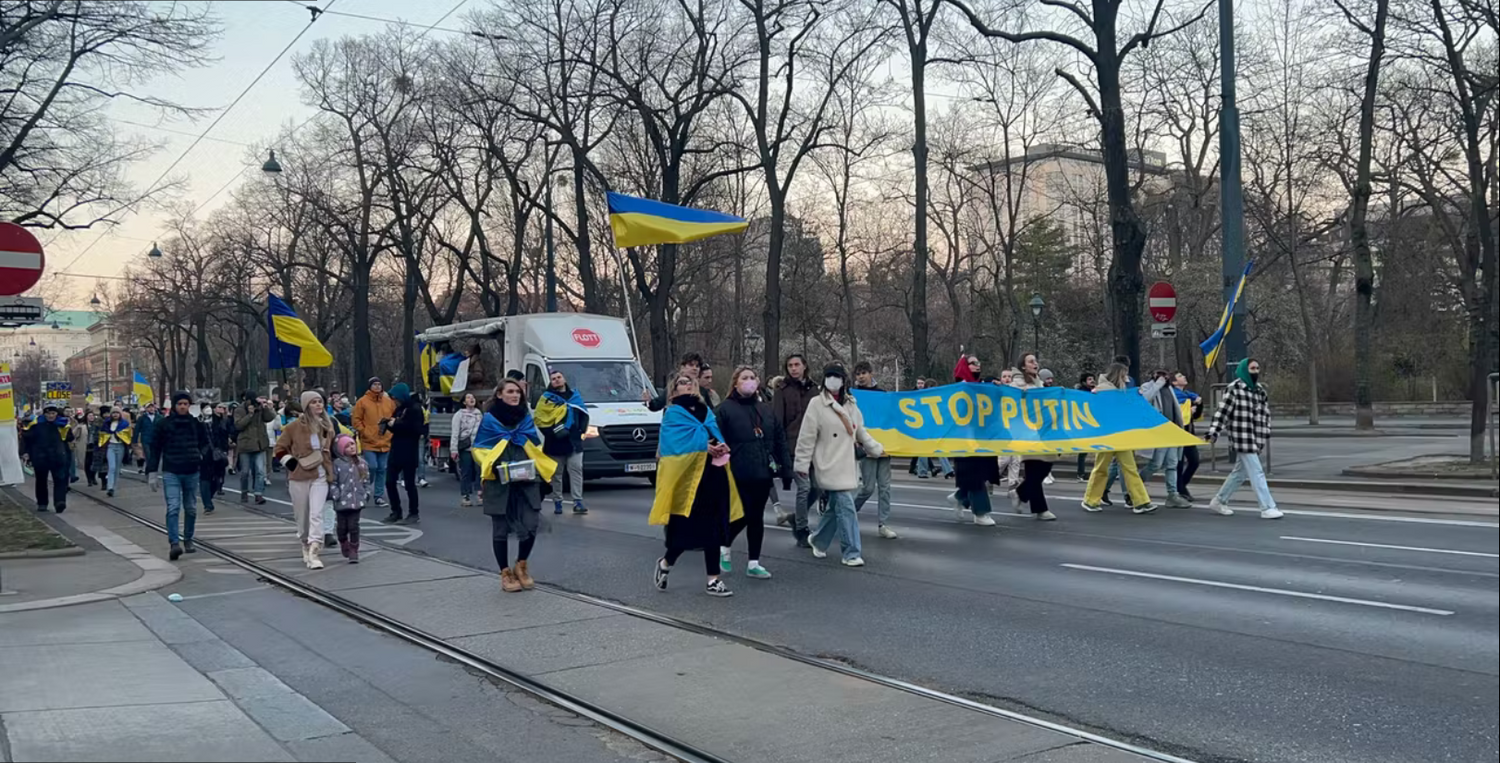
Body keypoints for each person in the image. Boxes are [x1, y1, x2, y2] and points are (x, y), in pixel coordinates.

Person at [650, 374, 740, 596]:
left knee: (713, 528)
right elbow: (673, 445)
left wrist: (721, 446)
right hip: (688, 481)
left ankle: (713, 580)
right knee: (686, 531)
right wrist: (703, 447)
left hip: (712, 474)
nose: (688, 384)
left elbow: (714, 433)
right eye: (682, 382)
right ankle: (665, 563)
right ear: (673, 390)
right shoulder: (672, 414)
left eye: (691, 381)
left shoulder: (706, 410)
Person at [795, 363, 884, 567]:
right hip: (828, 462)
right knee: (846, 507)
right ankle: (851, 552)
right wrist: (801, 464)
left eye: (836, 376)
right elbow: (806, 437)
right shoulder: (816, 404)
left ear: (844, 380)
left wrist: (875, 448)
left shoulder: (851, 403)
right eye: (829, 376)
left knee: (836, 507)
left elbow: (860, 430)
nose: (832, 380)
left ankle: (818, 539)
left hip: (847, 462)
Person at [717, 366, 789, 578]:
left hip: (762, 471)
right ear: (735, 383)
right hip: (737, 472)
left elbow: (779, 440)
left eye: (752, 377)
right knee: (743, 514)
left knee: (756, 517)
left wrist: (786, 470)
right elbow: (715, 439)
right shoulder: (724, 410)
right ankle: (724, 545)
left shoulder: (765, 410)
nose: (749, 381)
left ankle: (753, 562)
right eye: (744, 377)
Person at [482, 378, 552, 593]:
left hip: (526, 478)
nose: (515, 395)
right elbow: (480, 448)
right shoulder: (489, 420)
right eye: (510, 391)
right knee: (501, 530)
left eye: (518, 392)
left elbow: (535, 445)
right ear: (500, 394)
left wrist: (541, 472)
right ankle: (505, 572)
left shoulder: (526, 419)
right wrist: (493, 467)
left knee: (531, 523)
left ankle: (521, 564)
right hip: (499, 480)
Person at [1205, 358, 1281, 519]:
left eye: (1258, 368)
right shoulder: (1234, 388)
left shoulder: (1260, 390)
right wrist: (1214, 432)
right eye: (1253, 368)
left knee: (1239, 473)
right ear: (1245, 370)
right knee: (1257, 471)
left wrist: (1266, 430)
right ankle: (1267, 507)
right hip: (1241, 436)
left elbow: (1265, 413)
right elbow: (1222, 412)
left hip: (1256, 437)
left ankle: (1219, 500)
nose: (1256, 371)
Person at [1081, 362, 1155, 513]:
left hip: (1120, 434)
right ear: (1118, 375)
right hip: (1107, 435)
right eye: (1124, 375)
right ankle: (1090, 500)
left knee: (1129, 468)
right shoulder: (1101, 391)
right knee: (1102, 467)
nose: (1127, 378)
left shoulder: (1120, 391)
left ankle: (1140, 501)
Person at [274, 390, 336, 568]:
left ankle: (315, 550)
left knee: (317, 513)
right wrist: (292, 464)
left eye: (320, 401)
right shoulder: (294, 427)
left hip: (321, 474)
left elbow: (331, 448)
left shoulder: (328, 425)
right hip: (299, 476)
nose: (319, 405)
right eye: (314, 402)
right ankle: (305, 542)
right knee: (302, 517)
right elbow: (279, 449)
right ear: (306, 405)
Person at [147, 392, 209, 561]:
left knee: (190, 508)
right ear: (174, 405)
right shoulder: (163, 424)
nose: (183, 406)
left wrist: (201, 455)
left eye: (185, 404)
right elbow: (155, 448)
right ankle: (174, 543)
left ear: (189, 406)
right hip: (171, 471)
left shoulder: (196, 424)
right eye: (180, 403)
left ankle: (188, 539)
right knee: (173, 507)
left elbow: (205, 444)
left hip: (191, 471)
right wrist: (152, 472)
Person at [772, 353, 820, 547]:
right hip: (792, 446)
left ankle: (795, 517)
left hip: (814, 445)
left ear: (804, 366)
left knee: (818, 487)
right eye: (790, 365)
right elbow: (777, 421)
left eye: (797, 364)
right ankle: (802, 529)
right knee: (804, 487)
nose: (793, 368)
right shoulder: (782, 389)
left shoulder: (814, 389)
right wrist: (778, 449)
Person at [851, 362, 898, 538]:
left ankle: (883, 524)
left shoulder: (882, 395)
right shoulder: (852, 397)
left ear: (871, 373)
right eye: (858, 374)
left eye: (863, 373)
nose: (861, 376)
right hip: (866, 447)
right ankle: (848, 512)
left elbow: (892, 418)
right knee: (868, 488)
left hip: (885, 447)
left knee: (885, 487)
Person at [1011, 352, 1059, 521]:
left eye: (1035, 361)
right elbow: (1013, 404)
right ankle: (1039, 508)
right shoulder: (1017, 384)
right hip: (1028, 434)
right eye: (1031, 361)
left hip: (1043, 433)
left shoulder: (1039, 382)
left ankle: (1022, 494)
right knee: (1035, 470)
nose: (1035, 363)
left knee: (1043, 468)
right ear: (1023, 366)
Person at [1137, 369, 1193, 508]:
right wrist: (1157, 384)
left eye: (1165, 376)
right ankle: (1136, 485)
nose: (1163, 378)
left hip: (1171, 432)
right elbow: (1145, 399)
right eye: (1160, 375)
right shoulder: (1147, 387)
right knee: (1156, 464)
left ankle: (1172, 495)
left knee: (1172, 464)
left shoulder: (1170, 390)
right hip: (1159, 432)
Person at [537, 368, 589, 515]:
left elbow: (583, 413)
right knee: (557, 474)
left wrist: (581, 430)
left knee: (576, 469)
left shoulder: (575, 396)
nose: (557, 380)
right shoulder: (546, 399)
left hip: (573, 441)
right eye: (553, 379)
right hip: (555, 442)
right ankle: (558, 501)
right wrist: (552, 433)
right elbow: (540, 419)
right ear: (551, 383)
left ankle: (578, 501)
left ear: (564, 379)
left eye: (559, 377)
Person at [382, 382, 424, 524]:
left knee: (409, 484)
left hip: (409, 450)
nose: (394, 400)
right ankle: (396, 511)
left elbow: (416, 430)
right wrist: (388, 424)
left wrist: (397, 424)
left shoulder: (415, 409)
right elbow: (397, 426)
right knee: (389, 482)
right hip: (396, 449)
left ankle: (413, 512)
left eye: (395, 397)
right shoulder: (400, 409)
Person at [22, 403, 74, 513]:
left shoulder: (62, 424)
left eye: (53, 413)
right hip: (40, 456)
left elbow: (70, 437)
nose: (51, 416)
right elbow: (26, 438)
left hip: (58, 456)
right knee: (41, 481)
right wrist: (25, 452)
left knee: (60, 480)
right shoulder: (36, 424)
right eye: (48, 413)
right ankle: (42, 503)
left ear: (56, 414)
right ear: (44, 414)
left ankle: (60, 502)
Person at [354, 377, 396, 507]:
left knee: (382, 469)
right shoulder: (362, 402)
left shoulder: (388, 401)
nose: (377, 387)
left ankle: (379, 496)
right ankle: (365, 488)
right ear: (370, 387)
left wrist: (391, 430)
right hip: (369, 441)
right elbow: (356, 420)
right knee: (372, 466)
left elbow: (394, 415)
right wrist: (365, 431)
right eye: (374, 384)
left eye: (379, 384)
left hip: (385, 440)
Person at [329, 434, 370, 563]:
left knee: (353, 526)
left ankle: (354, 550)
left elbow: (366, 480)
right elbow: (333, 481)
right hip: (341, 502)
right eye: (347, 446)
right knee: (342, 528)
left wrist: (365, 493)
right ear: (341, 450)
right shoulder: (337, 464)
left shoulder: (362, 463)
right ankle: (343, 542)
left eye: (352, 444)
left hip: (356, 501)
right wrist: (336, 494)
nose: (351, 447)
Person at [235, 394, 276, 504]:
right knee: (245, 472)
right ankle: (244, 492)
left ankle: (259, 494)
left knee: (260, 471)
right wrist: (249, 414)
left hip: (259, 444)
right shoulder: (240, 409)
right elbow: (238, 425)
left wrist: (265, 407)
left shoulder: (260, 409)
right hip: (246, 444)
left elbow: (270, 418)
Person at [1173, 372, 1203, 501]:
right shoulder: (1173, 395)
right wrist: (1188, 410)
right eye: (1180, 376)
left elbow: (1196, 417)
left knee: (1194, 461)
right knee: (1178, 463)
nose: (1184, 377)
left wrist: (1198, 404)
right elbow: (1174, 412)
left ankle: (1181, 486)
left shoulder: (1189, 395)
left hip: (1189, 432)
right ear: (1174, 382)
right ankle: (1180, 489)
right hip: (1177, 433)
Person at [199, 402, 233, 515]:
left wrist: (224, 449)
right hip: (204, 455)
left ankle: (210, 495)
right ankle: (207, 504)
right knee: (204, 479)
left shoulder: (219, 421)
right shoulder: (197, 421)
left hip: (218, 454)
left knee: (217, 479)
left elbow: (228, 432)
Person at [451, 392, 483, 507]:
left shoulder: (479, 414)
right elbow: (455, 433)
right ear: (464, 402)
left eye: (473, 397)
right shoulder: (459, 415)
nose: (471, 399)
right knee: (466, 472)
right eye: (469, 397)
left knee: (480, 471)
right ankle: (466, 496)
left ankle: (480, 494)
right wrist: (453, 450)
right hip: (466, 448)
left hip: (478, 448)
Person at [100, 407, 132, 497]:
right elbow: (102, 434)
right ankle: (109, 487)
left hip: (120, 446)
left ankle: (113, 488)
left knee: (117, 468)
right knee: (112, 467)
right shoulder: (107, 423)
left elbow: (128, 435)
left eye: (117, 413)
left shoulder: (124, 423)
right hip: (111, 446)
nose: (115, 414)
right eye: (113, 413)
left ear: (120, 414)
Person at [1074, 373, 1097, 480]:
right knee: (1083, 450)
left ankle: (1083, 472)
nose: (1092, 381)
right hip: (1084, 424)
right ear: (1084, 382)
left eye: (1093, 379)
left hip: (1092, 423)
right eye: (1089, 379)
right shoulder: (1082, 393)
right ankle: (1081, 473)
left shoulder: (1095, 391)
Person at [134, 402, 159, 473]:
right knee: (148, 456)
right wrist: (134, 440)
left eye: (152, 407)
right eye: (149, 407)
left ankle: (152, 470)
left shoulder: (159, 417)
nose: (151, 409)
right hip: (146, 440)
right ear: (146, 409)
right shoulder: (142, 418)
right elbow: (137, 429)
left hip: (156, 440)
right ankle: (150, 472)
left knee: (155, 456)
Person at [80, 410, 101, 488]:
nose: (91, 417)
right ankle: (89, 479)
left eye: (92, 416)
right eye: (89, 415)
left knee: (94, 463)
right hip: (86, 446)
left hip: (94, 446)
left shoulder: (96, 426)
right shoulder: (83, 426)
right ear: (86, 417)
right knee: (87, 463)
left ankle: (93, 477)